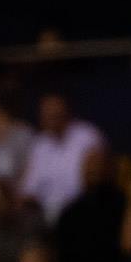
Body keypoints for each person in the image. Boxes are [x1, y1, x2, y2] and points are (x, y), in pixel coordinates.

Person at [20, 90, 104, 227]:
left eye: (56, 112)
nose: (51, 116)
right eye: (47, 113)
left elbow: (94, 182)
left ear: (67, 111)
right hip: (42, 214)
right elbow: (28, 190)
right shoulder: (39, 145)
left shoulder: (87, 135)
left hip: (79, 212)